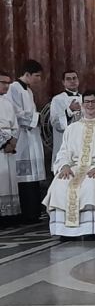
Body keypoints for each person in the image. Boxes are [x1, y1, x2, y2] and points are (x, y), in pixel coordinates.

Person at [42, 91, 95, 238]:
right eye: (86, 102)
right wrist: (64, 166)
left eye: (93, 102)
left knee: (91, 185)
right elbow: (63, 151)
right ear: (82, 105)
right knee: (60, 184)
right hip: (74, 167)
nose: (90, 105)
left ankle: (90, 230)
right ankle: (64, 231)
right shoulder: (72, 128)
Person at [8, 59, 46, 223]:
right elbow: (15, 112)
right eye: (37, 75)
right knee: (24, 177)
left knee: (33, 177)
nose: (39, 79)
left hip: (31, 136)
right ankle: (28, 213)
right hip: (21, 137)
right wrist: (37, 118)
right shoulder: (13, 88)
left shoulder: (28, 91)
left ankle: (35, 211)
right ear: (27, 74)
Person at [50, 70, 82, 165]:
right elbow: (55, 123)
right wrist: (69, 111)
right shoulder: (57, 99)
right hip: (65, 140)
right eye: (68, 79)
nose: (72, 81)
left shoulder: (85, 98)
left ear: (78, 80)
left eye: (74, 78)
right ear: (63, 82)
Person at [0, 71, 20, 222]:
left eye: (8, 83)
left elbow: (15, 125)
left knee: (10, 180)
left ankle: (10, 215)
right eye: (3, 82)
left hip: (9, 146)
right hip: (2, 146)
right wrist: (4, 142)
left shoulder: (7, 103)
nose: (6, 86)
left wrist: (13, 140)